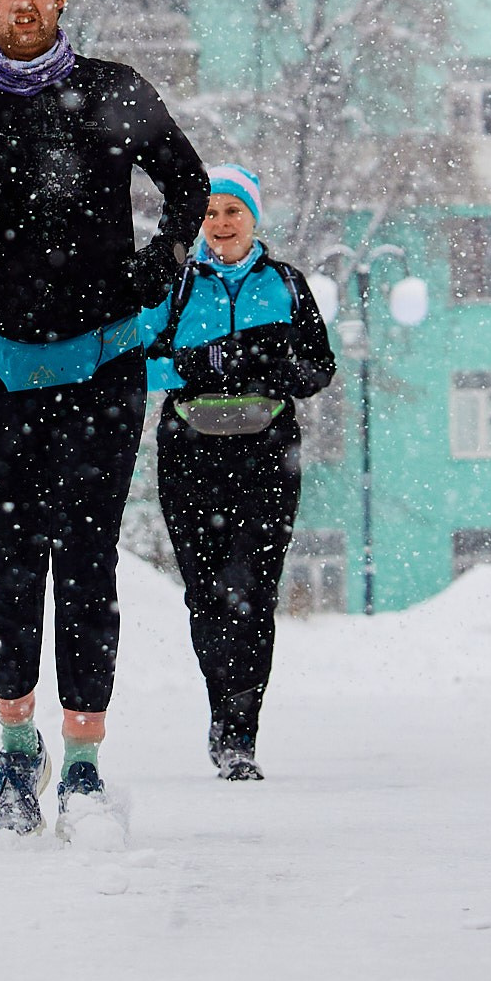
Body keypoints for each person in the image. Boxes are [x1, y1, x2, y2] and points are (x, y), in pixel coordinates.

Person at [0, 0, 208, 838]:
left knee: (84, 562)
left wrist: (161, 268)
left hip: (105, 370)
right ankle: (13, 751)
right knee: (8, 563)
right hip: (1, 373)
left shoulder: (115, 92)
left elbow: (188, 186)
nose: (23, 2)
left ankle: (82, 761)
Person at [146, 165, 336, 780]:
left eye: (234, 211)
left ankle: (240, 736)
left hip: (267, 454)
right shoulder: (173, 283)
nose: (222, 223)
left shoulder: (285, 283)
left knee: (252, 594)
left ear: (254, 218)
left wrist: (274, 369)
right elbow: (140, 367)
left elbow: (319, 367)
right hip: (190, 453)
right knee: (206, 594)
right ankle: (218, 705)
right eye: (211, 212)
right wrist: (204, 364)